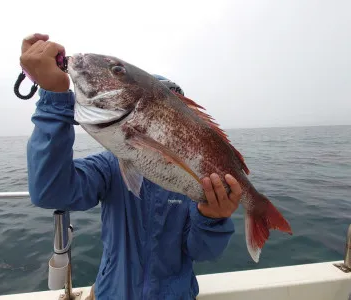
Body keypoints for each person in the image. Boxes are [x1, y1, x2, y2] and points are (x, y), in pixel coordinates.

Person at [21, 33, 242, 300]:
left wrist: (213, 218)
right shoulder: (109, 165)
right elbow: (49, 192)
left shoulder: (196, 179)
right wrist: (53, 100)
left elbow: (204, 252)